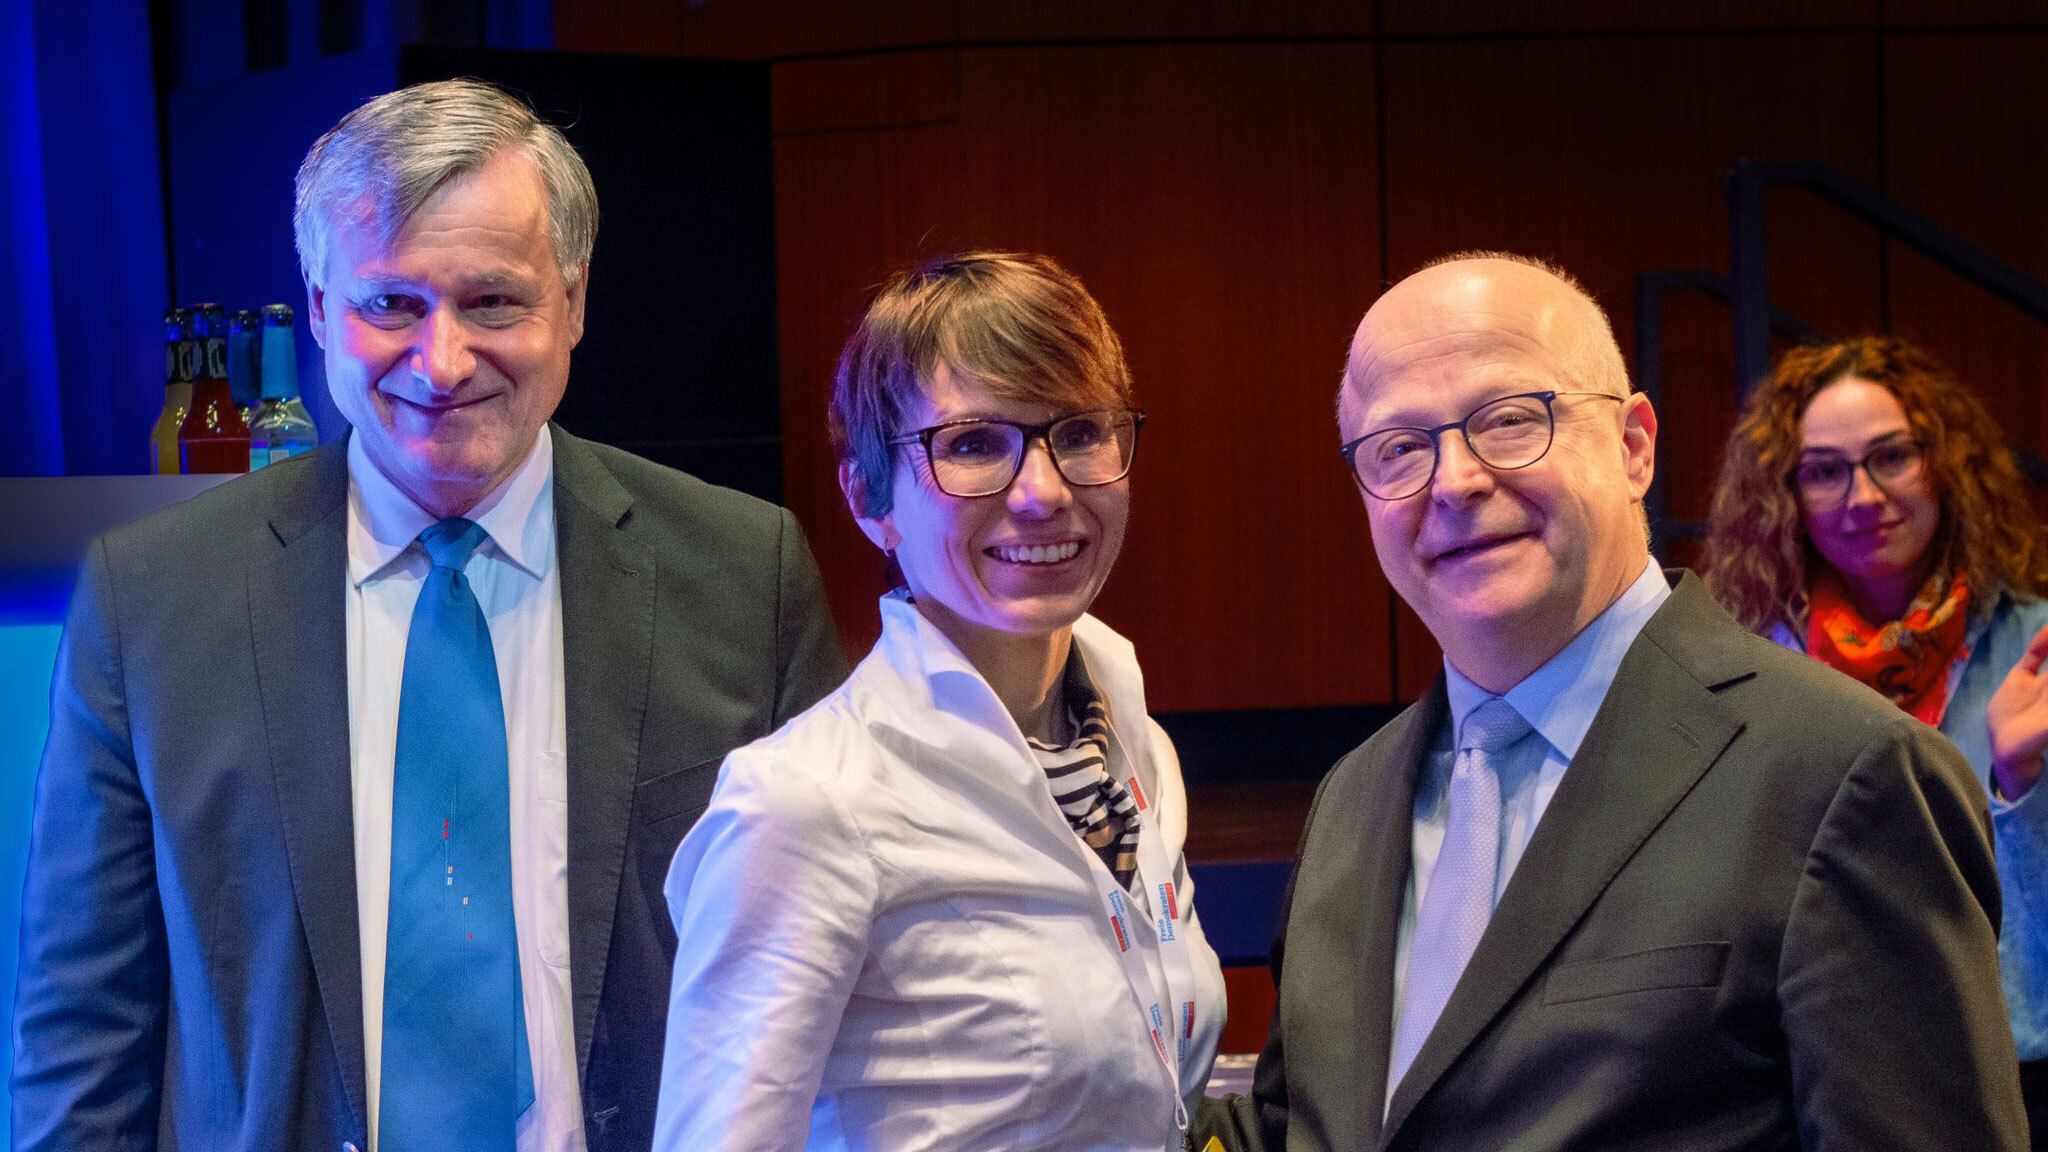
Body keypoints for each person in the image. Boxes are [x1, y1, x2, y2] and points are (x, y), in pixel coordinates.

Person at [11, 79, 844, 1152]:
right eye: (389, 305)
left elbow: (824, 972)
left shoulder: (743, 572)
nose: (441, 363)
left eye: (492, 302)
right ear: (317, 307)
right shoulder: (154, 596)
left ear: (574, 301)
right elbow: (87, 1023)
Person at [1192, 253, 2026, 1150]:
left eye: (1510, 421)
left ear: (1634, 447)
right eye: (1400, 447)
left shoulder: (1843, 776)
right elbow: (1301, 1128)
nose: (1456, 481)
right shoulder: (1350, 800)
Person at [653, 251, 1224, 1150]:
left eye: (1078, 431)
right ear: (869, 499)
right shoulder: (803, 804)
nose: (1042, 492)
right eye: (970, 444)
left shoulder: (1127, 744)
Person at [1705, 334, 2048, 1143]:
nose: (1863, 496)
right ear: (1786, 494)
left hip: (2020, 1071)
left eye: (1892, 457)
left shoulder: (2036, 651)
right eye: (1825, 470)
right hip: (1819, 1073)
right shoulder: (1749, 666)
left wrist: (2016, 783)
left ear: (1947, 465)